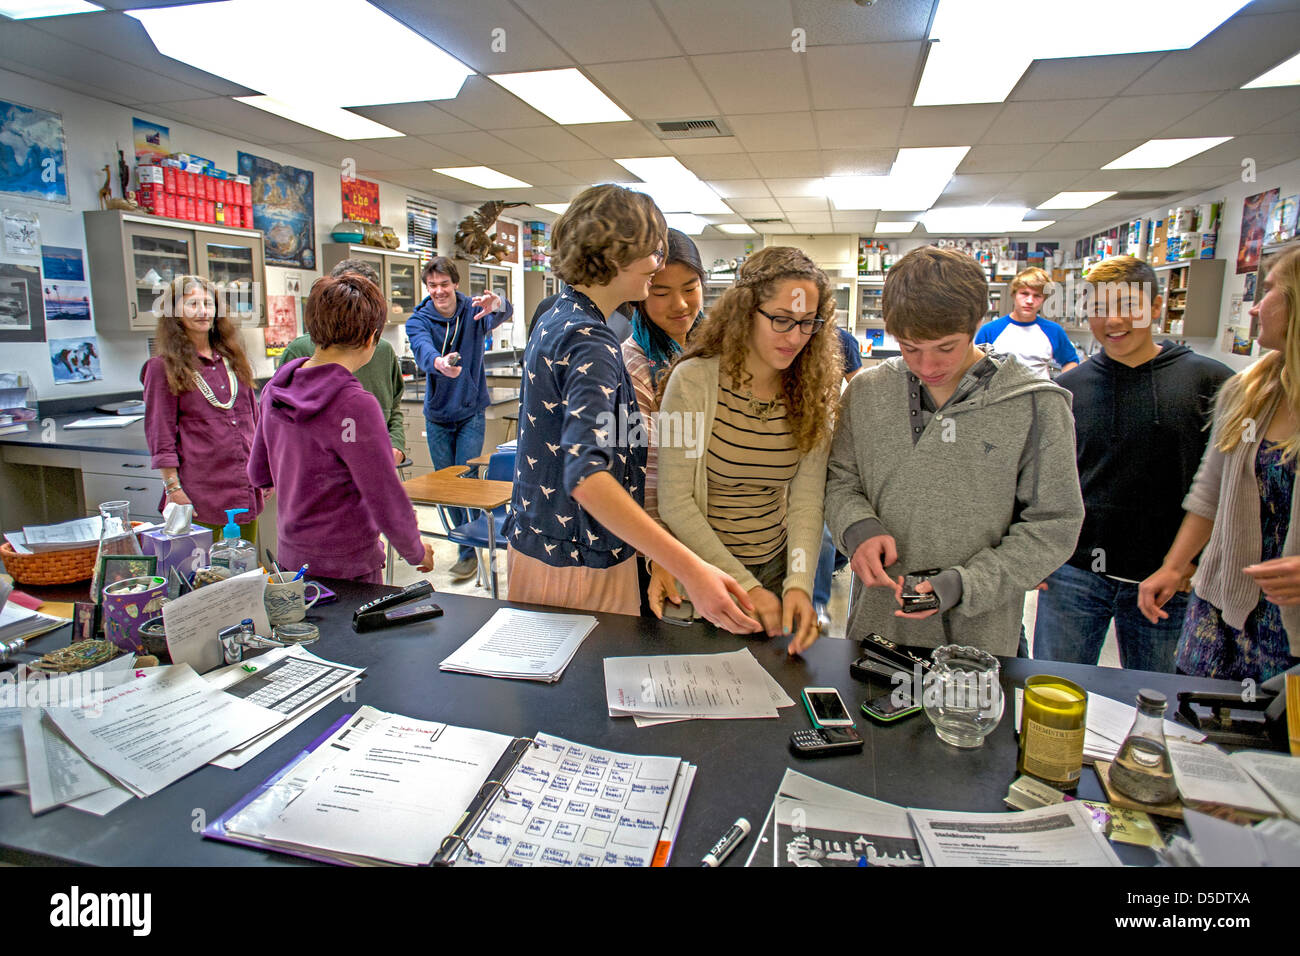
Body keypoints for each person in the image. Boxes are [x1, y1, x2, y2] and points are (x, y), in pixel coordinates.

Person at [503, 183, 759, 635]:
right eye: (654, 252)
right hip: (583, 558)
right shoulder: (592, 340)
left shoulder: (557, 314)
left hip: (542, 545)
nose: (658, 262)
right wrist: (693, 570)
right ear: (617, 254)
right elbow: (588, 477)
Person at [824, 246, 1084, 654]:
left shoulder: (1035, 404)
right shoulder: (867, 392)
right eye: (910, 347)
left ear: (977, 324)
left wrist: (965, 584)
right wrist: (857, 529)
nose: (927, 366)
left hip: (980, 636)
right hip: (878, 628)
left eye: (946, 348)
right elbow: (840, 479)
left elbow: (1054, 523)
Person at [1035, 256, 1231, 671]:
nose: (1112, 321)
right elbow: (1043, 480)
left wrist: (1191, 564)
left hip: (1168, 579)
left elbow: (1227, 486)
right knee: (1053, 693)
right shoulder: (1067, 389)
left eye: (1127, 305)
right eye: (1099, 308)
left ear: (1156, 307)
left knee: (1157, 704)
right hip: (1074, 574)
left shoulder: (1211, 383)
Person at [655, 246, 840, 653]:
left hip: (774, 570)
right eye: (781, 320)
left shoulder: (813, 392)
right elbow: (675, 502)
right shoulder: (692, 382)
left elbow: (807, 503)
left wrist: (798, 583)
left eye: (807, 323)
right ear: (744, 312)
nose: (795, 337)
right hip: (704, 575)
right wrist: (747, 587)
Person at [1139, 248, 1300, 683]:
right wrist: (1175, 566)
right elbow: (1210, 491)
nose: (1255, 305)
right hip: (1221, 604)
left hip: (1291, 627)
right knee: (1195, 729)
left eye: (1268, 291)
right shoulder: (1249, 390)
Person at [248, 274, 434, 583]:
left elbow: (258, 473)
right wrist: (415, 549)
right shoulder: (355, 404)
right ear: (369, 338)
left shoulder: (275, 389)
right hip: (349, 566)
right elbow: (384, 495)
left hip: (292, 559)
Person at [406, 256, 513, 581]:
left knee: (466, 476)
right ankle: (464, 544)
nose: (439, 291)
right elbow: (421, 347)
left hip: (470, 410)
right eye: (432, 285)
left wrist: (499, 303)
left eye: (444, 284)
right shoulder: (418, 319)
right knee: (446, 482)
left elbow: (502, 312)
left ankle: (469, 551)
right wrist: (437, 363)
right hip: (438, 414)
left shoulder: (472, 311)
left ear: (455, 284)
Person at [141, 274, 263, 538]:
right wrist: (172, 488)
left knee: (244, 570)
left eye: (208, 304)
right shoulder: (162, 368)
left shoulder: (233, 359)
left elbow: (254, 419)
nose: (202, 312)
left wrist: (264, 471)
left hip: (243, 487)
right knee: (204, 574)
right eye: (192, 304)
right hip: (199, 495)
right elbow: (160, 433)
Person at [278, 258, 406, 467]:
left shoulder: (382, 351)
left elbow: (394, 408)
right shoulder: (299, 351)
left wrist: (396, 444)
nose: (355, 312)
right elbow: (282, 424)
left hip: (377, 463)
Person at [620, 228, 705, 524]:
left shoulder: (721, 349)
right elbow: (648, 474)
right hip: (666, 533)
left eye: (690, 288)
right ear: (640, 295)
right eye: (661, 292)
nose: (680, 304)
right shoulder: (631, 366)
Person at [812, 324, 863, 628]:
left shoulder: (842, 340)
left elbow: (857, 388)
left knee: (823, 531)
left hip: (826, 437)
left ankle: (817, 604)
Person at [975, 266, 1079, 379]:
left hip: (1040, 395)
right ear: (1014, 295)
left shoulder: (1053, 330)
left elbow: (1071, 362)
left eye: (1037, 296)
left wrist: (1058, 389)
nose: (1030, 301)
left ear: (1044, 299)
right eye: (1024, 293)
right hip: (1001, 395)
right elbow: (974, 367)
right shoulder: (989, 330)